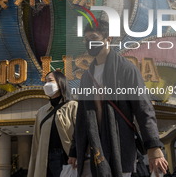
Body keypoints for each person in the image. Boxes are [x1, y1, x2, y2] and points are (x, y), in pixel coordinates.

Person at [68, 19, 168, 177]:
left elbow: (143, 109)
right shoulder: (87, 76)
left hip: (119, 144)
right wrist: (74, 149)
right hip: (93, 147)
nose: (89, 43)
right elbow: (82, 116)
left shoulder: (126, 69)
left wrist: (154, 147)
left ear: (108, 39)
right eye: (86, 40)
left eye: (94, 38)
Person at [28, 70, 78, 177]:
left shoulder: (73, 106)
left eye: (50, 80)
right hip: (45, 159)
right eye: (45, 82)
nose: (46, 84)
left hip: (67, 159)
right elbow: (36, 140)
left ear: (60, 83)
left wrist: (76, 153)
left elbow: (81, 133)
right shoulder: (42, 111)